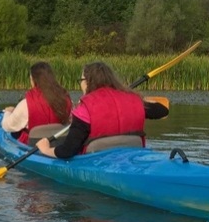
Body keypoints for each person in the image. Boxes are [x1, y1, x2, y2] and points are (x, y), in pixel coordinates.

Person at [36, 61, 169, 159]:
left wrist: (45, 149)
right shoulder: (134, 100)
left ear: (87, 82)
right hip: (131, 158)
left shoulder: (85, 109)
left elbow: (67, 151)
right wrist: (137, 98)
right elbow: (163, 110)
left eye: (81, 80)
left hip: (96, 163)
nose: (81, 83)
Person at [1, 61, 72, 144]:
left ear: (34, 80)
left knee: (14, 132)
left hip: (33, 146)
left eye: (31, 79)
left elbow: (7, 126)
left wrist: (8, 112)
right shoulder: (66, 99)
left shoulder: (26, 104)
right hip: (60, 143)